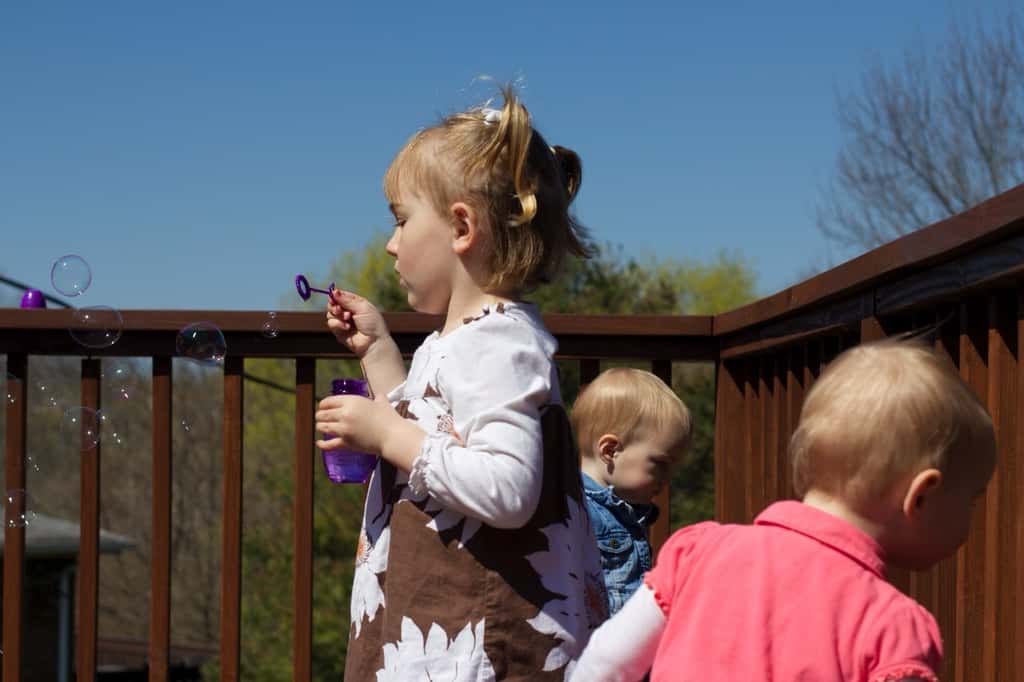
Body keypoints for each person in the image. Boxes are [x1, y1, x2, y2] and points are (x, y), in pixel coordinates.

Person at [315, 86, 607, 680]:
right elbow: (431, 422)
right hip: (442, 613)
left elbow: (507, 488)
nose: (391, 243)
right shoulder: (464, 340)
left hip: (478, 636)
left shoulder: (499, 343)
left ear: (461, 226)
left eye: (400, 220)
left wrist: (386, 439)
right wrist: (377, 352)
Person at [571, 339, 997, 682]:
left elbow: (606, 663)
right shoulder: (893, 627)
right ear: (921, 497)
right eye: (974, 498)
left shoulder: (700, 551)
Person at [572, 368, 692, 615]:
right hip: (595, 648)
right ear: (610, 451)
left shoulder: (628, 512)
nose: (668, 478)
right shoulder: (578, 510)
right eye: (660, 463)